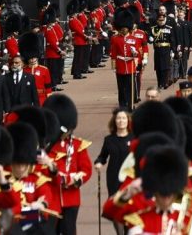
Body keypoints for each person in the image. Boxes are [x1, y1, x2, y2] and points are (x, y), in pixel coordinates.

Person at [43, 94, 93, 235]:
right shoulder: (45, 147)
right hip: (51, 198)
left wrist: (76, 179)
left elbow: (86, 169)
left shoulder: (77, 145)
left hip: (71, 197)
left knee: (69, 231)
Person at [94, 108, 133, 213]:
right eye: (118, 118)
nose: (121, 121)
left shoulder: (134, 138)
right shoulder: (109, 140)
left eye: (124, 118)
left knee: (128, 206)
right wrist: (98, 162)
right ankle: (120, 229)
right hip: (113, 176)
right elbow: (103, 156)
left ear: (128, 120)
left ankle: (127, 229)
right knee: (115, 205)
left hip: (129, 176)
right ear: (114, 121)